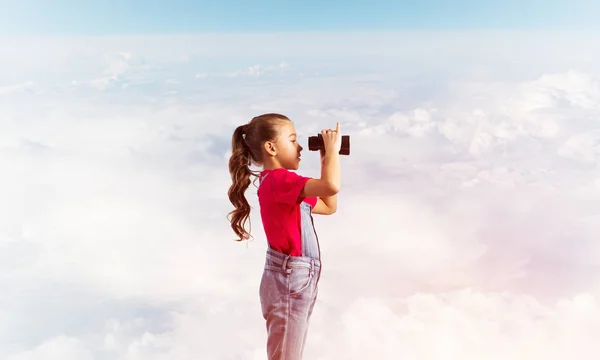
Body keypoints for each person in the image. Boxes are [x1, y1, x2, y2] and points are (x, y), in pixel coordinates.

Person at [227, 113, 342, 359]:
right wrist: (332, 151)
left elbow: (329, 205)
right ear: (271, 148)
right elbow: (331, 186)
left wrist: (325, 160)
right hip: (290, 281)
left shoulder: (282, 184)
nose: (300, 147)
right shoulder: (281, 180)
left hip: (292, 280)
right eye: (292, 140)